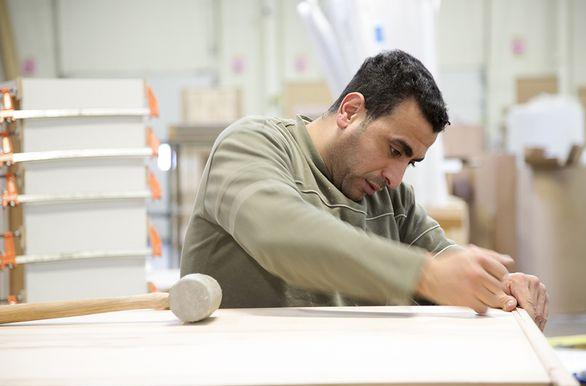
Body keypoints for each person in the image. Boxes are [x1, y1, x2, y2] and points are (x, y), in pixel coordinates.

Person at [181, 49, 549, 330]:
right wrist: (426, 275)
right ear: (350, 111)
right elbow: (279, 234)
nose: (396, 177)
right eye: (394, 150)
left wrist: (497, 285)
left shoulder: (388, 193)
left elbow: (442, 257)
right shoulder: (252, 145)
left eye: (411, 161)